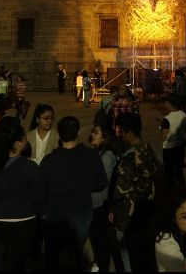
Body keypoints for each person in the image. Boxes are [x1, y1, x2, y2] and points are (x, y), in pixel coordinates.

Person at [39, 116, 109, 270]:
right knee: (75, 254)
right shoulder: (91, 156)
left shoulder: (49, 160)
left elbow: (40, 190)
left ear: (59, 134)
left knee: (55, 257)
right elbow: (101, 183)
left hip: (55, 217)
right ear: (78, 133)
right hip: (81, 216)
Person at [0, 117, 44, 271]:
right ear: (17, 143)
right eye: (24, 138)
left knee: (3, 262)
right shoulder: (30, 167)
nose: (26, 140)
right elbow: (39, 197)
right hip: (25, 222)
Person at [108, 112, 160, 272]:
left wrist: (112, 208)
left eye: (121, 132)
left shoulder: (129, 157)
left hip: (129, 212)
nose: (120, 135)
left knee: (126, 254)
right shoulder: (147, 148)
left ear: (129, 133)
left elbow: (120, 189)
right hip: (148, 208)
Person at [88, 124, 122, 272]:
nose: (92, 135)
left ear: (104, 138)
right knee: (102, 242)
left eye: (96, 133)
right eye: (93, 132)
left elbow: (104, 185)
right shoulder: (98, 154)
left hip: (101, 206)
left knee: (102, 243)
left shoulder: (107, 157)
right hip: (97, 205)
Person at [160, 93, 186, 187]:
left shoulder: (167, 119)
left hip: (169, 149)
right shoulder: (183, 114)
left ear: (169, 104)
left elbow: (164, 138)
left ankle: (171, 190)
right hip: (180, 147)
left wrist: (161, 128)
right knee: (179, 171)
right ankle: (183, 188)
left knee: (169, 172)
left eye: (166, 101)